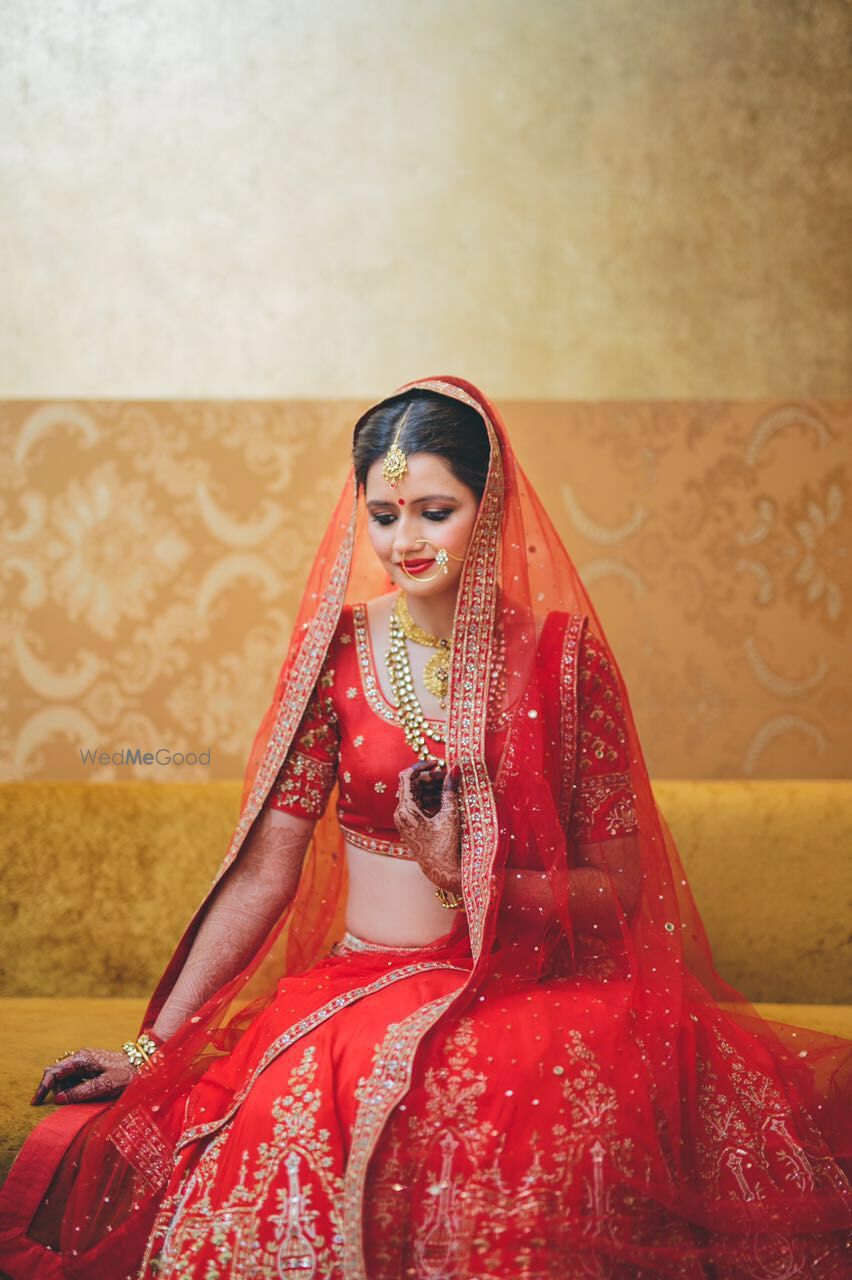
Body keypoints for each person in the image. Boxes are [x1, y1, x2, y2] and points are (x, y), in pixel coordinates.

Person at [0, 375, 850, 1279]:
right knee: (300, 1104)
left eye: (435, 510)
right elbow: (263, 876)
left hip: (535, 989)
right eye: (383, 514)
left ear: (489, 508)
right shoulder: (338, 652)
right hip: (365, 982)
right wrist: (149, 1048)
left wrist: (472, 879)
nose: (404, 541)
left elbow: (620, 892)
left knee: (518, 1109)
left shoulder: (567, 662)